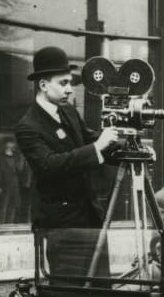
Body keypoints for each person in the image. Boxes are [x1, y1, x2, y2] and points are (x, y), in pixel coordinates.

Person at [14, 46, 121, 277]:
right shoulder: (28, 126)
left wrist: (126, 146)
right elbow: (50, 165)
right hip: (62, 227)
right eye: (63, 83)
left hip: (90, 219)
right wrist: (98, 146)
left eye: (69, 83)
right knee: (70, 289)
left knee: (101, 288)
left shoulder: (68, 112)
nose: (70, 90)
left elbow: (90, 138)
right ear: (43, 85)